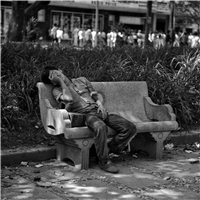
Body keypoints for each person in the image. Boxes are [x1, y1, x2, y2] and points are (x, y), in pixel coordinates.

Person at [41, 66, 137, 174]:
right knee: (100, 126)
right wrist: (60, 82)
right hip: (85, 116)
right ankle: (104, 161)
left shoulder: (82, 80)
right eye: (53, 76)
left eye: (56, 72)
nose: (57, 75)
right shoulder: (57, 90)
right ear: (53, 81)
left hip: (99, 111)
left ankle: (108, 149)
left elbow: (93, 93)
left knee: (130, 127)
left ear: (60, 70)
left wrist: (100, 104)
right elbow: (68, 99)